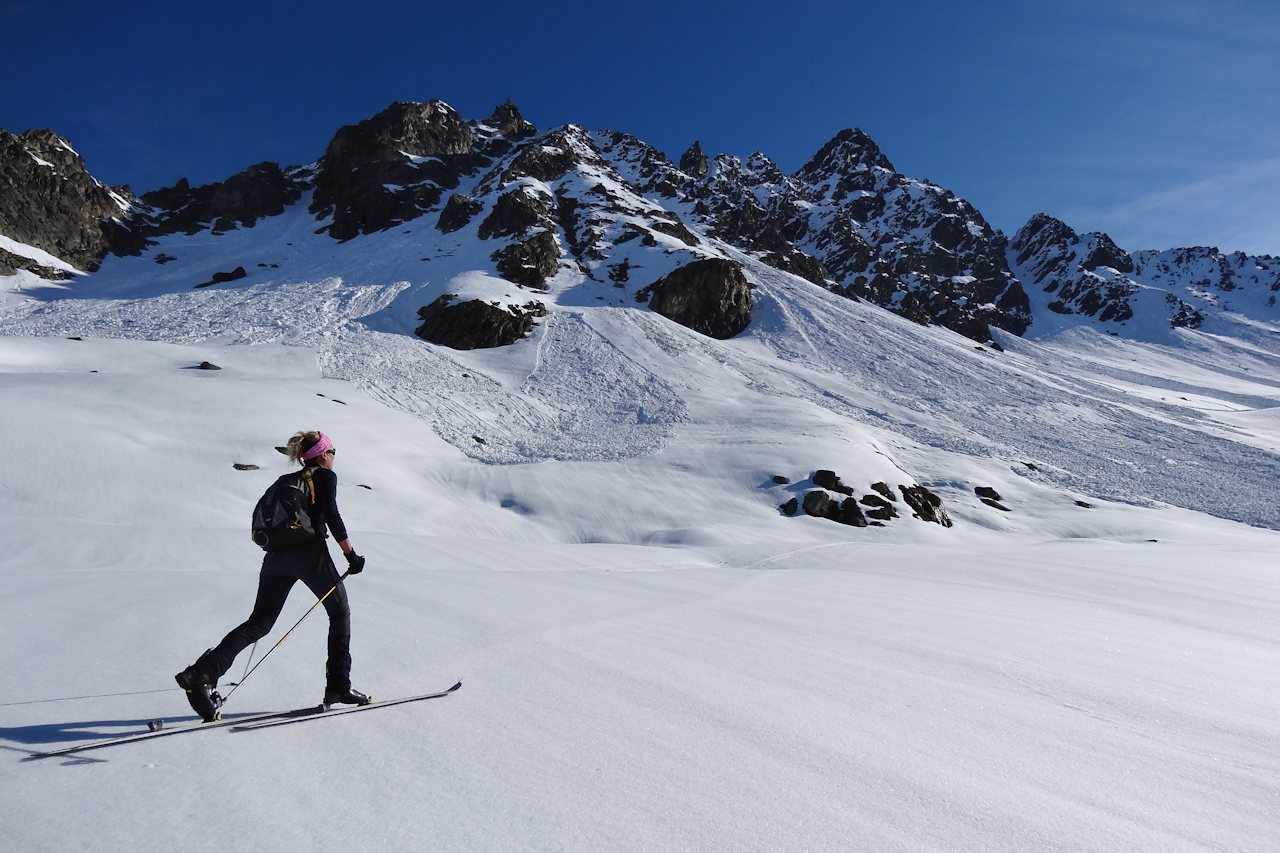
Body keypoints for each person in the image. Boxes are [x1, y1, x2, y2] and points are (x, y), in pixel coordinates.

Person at [175, 430, 369, 721]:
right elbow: (332, 514)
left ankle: (202, 675)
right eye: (333, 451)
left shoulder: (286, 482)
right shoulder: (323, 476)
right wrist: (350, 555)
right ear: (323, 454)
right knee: (340, 613)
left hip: (276, 558)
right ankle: (339, 686)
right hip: (309, 554)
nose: (334, 457)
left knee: (260, 622)